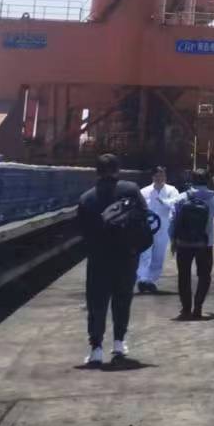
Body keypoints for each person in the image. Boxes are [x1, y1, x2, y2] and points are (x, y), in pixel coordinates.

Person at [76, 154, 144, 365]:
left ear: (96, 172)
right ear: (118, 170)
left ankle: (96, 349)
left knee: (97, 303)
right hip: (126, 256)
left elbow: (81, 231)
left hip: (99, 259)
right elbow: (144, 217)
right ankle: (119, 342)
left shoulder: (87, 198)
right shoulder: (131, 189)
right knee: (122, 299)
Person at [170, 172, 214, 320]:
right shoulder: (212, 199)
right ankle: (198, 307)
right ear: (207, 181)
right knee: (204, 275)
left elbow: (173, 219)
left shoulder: (181, 198)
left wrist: (173, 239)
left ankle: (186, 309)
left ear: (191, 181)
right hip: (205, 243)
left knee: (184, 275)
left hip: (183, 243)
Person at [136, 167, 179, 293]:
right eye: (157, 176)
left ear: (165, 176)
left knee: (159, 255)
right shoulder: (144, 191)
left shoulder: (171, 190)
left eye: (162, 175)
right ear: (152, 177)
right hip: (147, 227)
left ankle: (151, 280)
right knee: (145, 253)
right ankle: (142, 279)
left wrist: (164, 202)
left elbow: (176, 203)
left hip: (164, 226)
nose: (160, 178)